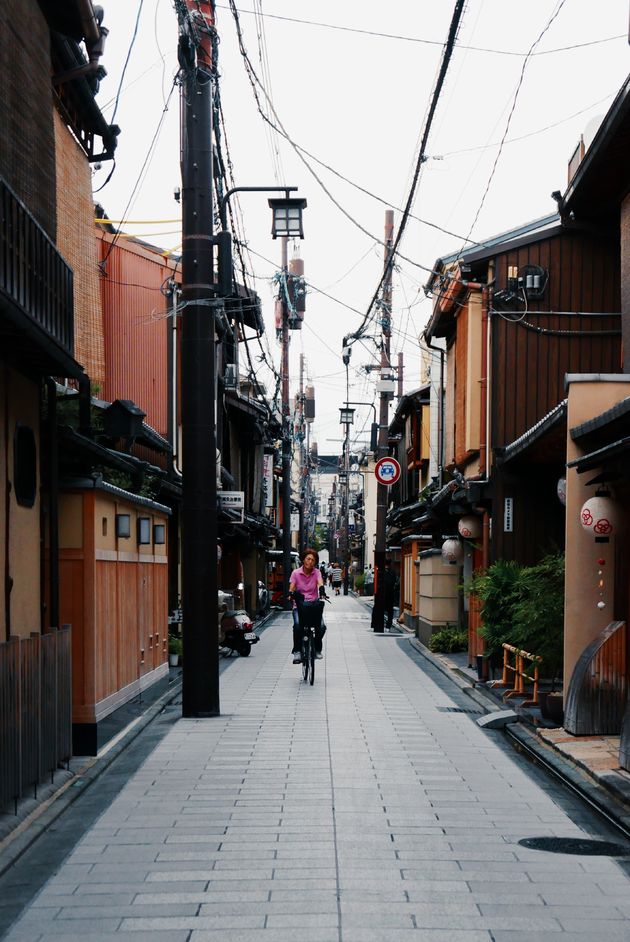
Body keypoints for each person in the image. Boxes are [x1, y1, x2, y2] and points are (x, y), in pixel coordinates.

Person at [289, 548, 327, 663]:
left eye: (313, 560)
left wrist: (322, 592)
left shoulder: (317, 572)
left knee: (321, 627)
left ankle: (317, 649)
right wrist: (291, 594)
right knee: (297, 626)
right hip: (299, 606)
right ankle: (297, 651)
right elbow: (292, 586)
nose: (310, 561)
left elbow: (320, 583)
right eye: (308, 559)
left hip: (313, 605)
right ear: (303, 560)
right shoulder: (296, 573)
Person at [383, 559, 398, 630]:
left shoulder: (383, 572)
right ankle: (388, 625)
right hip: (391, 594)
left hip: (384, 594)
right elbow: (395, 582)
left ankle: (384, 624)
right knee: (390, 611)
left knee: (382, 609)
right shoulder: (393, 572)